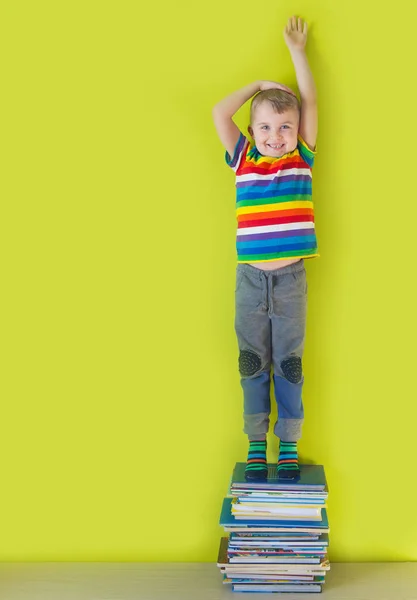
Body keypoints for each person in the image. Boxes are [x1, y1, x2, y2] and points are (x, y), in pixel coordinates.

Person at [212, 16, 318, 480]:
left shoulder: (302, 157)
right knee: (252, 363)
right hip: (250, 282)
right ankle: (257, 441)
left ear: (297, 132)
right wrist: (256, 84)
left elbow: (310, 101)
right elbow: (218, 113)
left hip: (291, 280)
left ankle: (288, 444)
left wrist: (298, 53)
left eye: (286, 126)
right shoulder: (242, 159)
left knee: (289, 365)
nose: (277, 135)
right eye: (266, 126)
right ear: (252, 131)